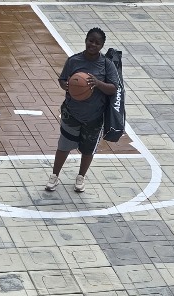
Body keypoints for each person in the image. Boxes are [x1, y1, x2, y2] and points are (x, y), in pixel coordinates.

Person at [45, 27, 118, 193]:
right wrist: (67, 85)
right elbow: (62, 80)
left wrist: (98, 83)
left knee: (88, 149)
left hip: (95, 117)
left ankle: (80, 177)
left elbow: (114, 88)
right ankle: (54, 175)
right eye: (90, 40)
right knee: (63, 146)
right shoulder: (73, 61)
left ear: (102, 46)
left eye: (97, 42)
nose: (92, 44)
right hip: (72, 113)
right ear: (85, 40)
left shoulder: (107, 65)